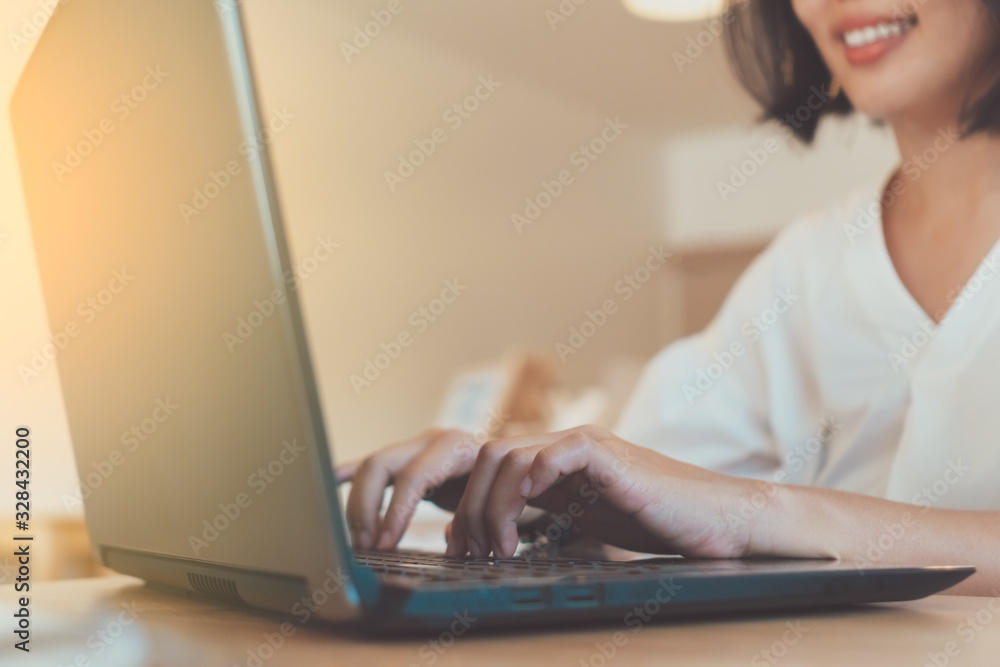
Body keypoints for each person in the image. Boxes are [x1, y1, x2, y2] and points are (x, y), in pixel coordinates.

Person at [337, 0, 1000, 596]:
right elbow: (652, 472)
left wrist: (760, 513)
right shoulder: (809, 261)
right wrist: (513, 479)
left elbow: (723, 506)